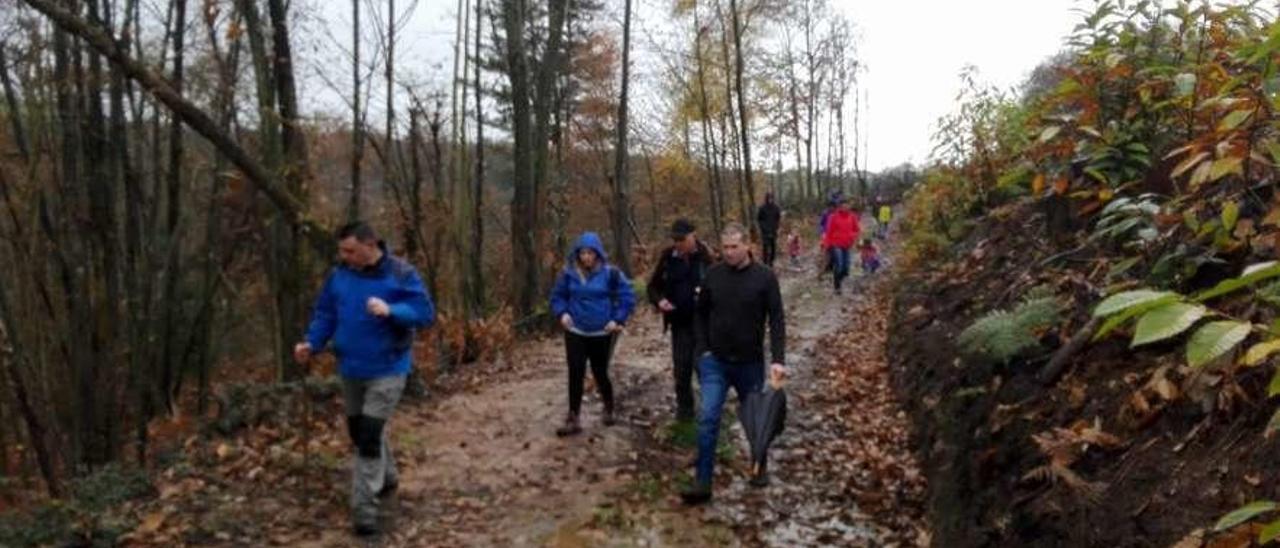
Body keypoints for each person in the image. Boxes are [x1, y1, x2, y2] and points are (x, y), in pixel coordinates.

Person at [295, 221, 436, 537]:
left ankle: (365, 511)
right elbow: (326, 314)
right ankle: (387, 477)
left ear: (370, 244)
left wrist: (391, 309)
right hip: (351, 369)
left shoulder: (400, 273)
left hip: (389, 368)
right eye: (342, 251)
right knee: (360, 433)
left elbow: (424, 313)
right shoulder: (340, 276)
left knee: (370, 435)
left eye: (350, 251)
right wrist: (311, 344)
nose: (344, 256)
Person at [680, 222, 788, 505]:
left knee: (756, 419)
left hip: (750, 363)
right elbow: (700, 315)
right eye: (725, 247)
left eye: (734, 247)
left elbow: (776, 319)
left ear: (747, 246)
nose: (728, 253)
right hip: (715, 361)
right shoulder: (713, 276)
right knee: (708, 417)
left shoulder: (765, 278)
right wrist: (701, 352)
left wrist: (778, 359)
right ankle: (703, 481)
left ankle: (758, 465)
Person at [549, 232, 636, 436]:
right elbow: (557, 296)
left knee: (599, 372)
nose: (586, 257)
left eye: (590, 253)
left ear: (598, 254)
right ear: (577, 254)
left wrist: (618, 319)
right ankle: (573, 416)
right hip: (575, 330)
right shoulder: (568, 274)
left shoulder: (611, 274)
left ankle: (608, 406)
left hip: (601, 332)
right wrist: (562, 313)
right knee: (575, 371)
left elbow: (627, 297)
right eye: (582, 253)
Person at [647, 219, 714, 423]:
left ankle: (711, 411)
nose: (678, 243)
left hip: (705, 323)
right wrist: (660, 301)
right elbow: (653, 287)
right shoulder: (668, 258)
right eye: (675, 239)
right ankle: (685, 413)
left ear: (693, 236)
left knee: (703, 367)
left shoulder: (707, 257)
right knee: (681, 369)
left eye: (682, 239)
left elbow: (723, 287)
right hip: (679, 323)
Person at [821, 198, 860, 295]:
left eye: (847, 205)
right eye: (843, 205)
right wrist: (827, 245)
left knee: (846, 268)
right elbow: (829, 232)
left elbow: (857, 229)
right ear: (840, 206)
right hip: (836, 244)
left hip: (847, 245)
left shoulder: (852, 217)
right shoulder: (833, 217)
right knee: (839, 265)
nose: (845, 207)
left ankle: (840, 280)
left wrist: (853, 236)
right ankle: (837, 287)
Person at [755, 193, 782, 267]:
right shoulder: (762, 208)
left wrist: (776, 227)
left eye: (771, 198)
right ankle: (765, 261)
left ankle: (771, 261)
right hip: (765, 231)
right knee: (765, 247)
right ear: (766, 199)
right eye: (769, 198)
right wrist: (763, 228)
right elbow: (759, 219)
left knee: (773, 246)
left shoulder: (776, 208)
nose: (770, 200)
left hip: (773, 230)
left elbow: (778, 218)